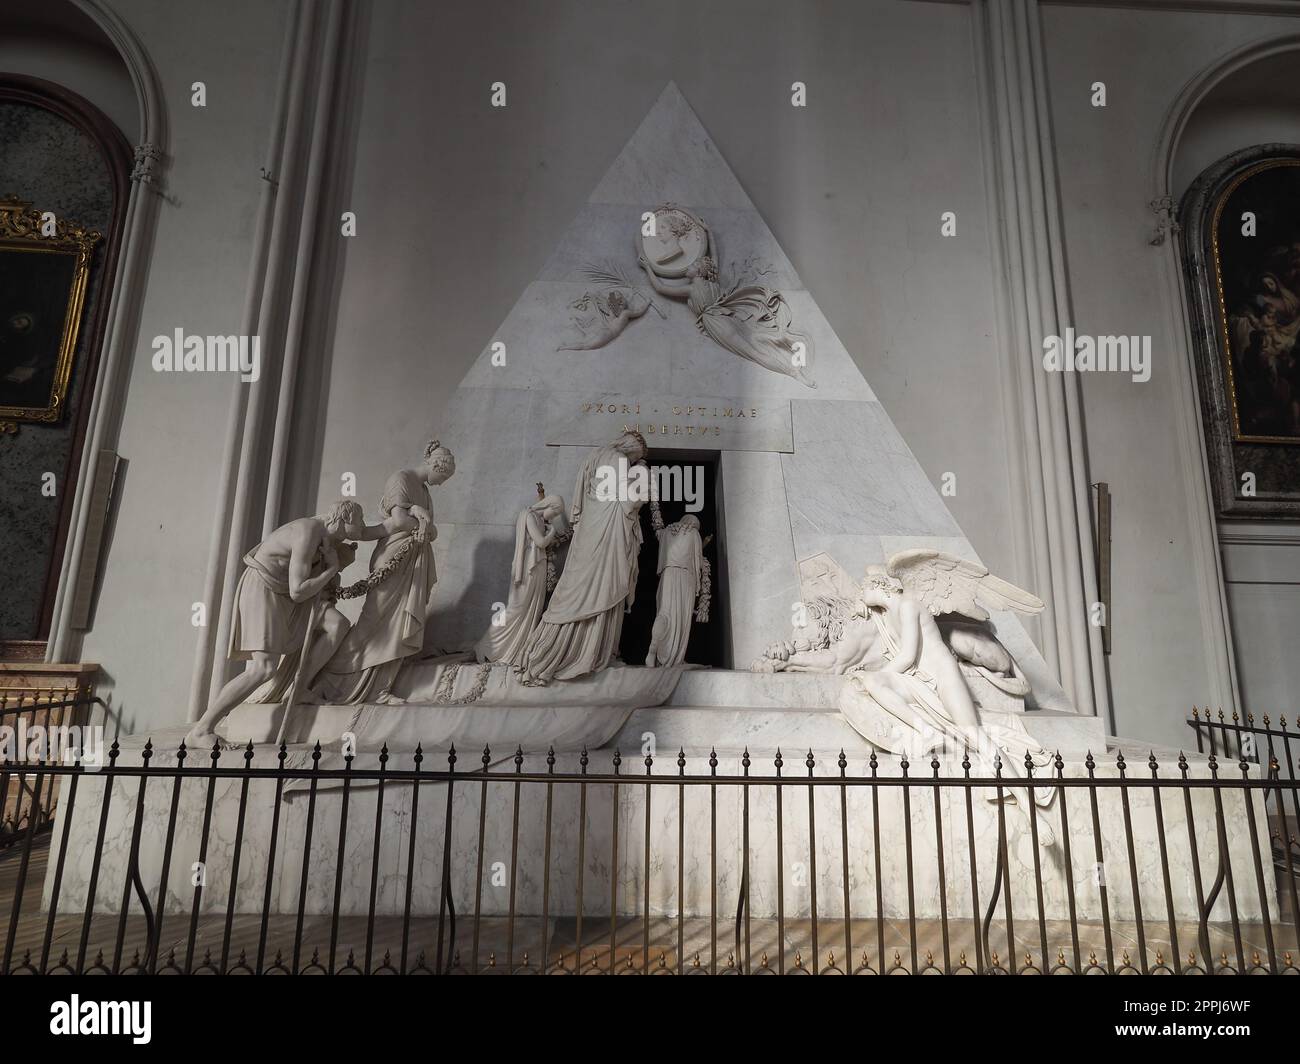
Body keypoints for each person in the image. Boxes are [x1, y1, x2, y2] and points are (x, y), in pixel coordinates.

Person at [185, 500, 369, 748]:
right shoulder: (309, 532)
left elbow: (373, 531)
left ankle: (300, 688)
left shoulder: (327, 536)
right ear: (343, 521)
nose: (362, 528)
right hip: (266, 588)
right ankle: (201, 729)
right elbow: (298, 591)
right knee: (263, 668)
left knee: (337, 625)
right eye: (359, 522)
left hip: (291, 595)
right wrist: (332, 568)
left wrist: (412, 520)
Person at [323, 440, 455, 703]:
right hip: (394, 556)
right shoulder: (401, 479)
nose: (441, 483)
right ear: (434, 466)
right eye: (443, 476)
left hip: (413, 560)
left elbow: (430, 530)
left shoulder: (424, 491)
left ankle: (380, 689)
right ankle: (331, 678)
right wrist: (420, 519)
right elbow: (400, 522)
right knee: (374, 620)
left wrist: (422, 520)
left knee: (397, 626)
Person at [513, 431, 648, 683]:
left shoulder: (593, 457)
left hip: (590, 528)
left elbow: (584, 500)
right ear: (630, 448)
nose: (632, 462)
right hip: (608, 532)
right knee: (601, 586)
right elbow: (628, 502)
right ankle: (587, 654)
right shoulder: (618, 459)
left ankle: (550, 648)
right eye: (634, 457)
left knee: (579, 587)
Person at [474, 490, 569, 664]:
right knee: (514, 609)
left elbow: (542, 537)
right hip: (527, 570)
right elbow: (540, 542)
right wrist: (552, 530)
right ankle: (486, 645)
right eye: (554, 512)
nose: (553, 517)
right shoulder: (528, 515)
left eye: (556, 515)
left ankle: (514, 649)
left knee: (532, 610)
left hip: (538, 568)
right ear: (547, 505)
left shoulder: (540, 520)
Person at [644, 498, 707, 667]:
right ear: (693, 523)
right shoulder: (693, 534)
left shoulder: (667, 532)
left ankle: (653, 650)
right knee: (681, 619)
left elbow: (658, 531)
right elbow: (697, 562)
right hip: (685, 577)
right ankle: (676, 657)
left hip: (668, 575)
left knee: (664, 614)